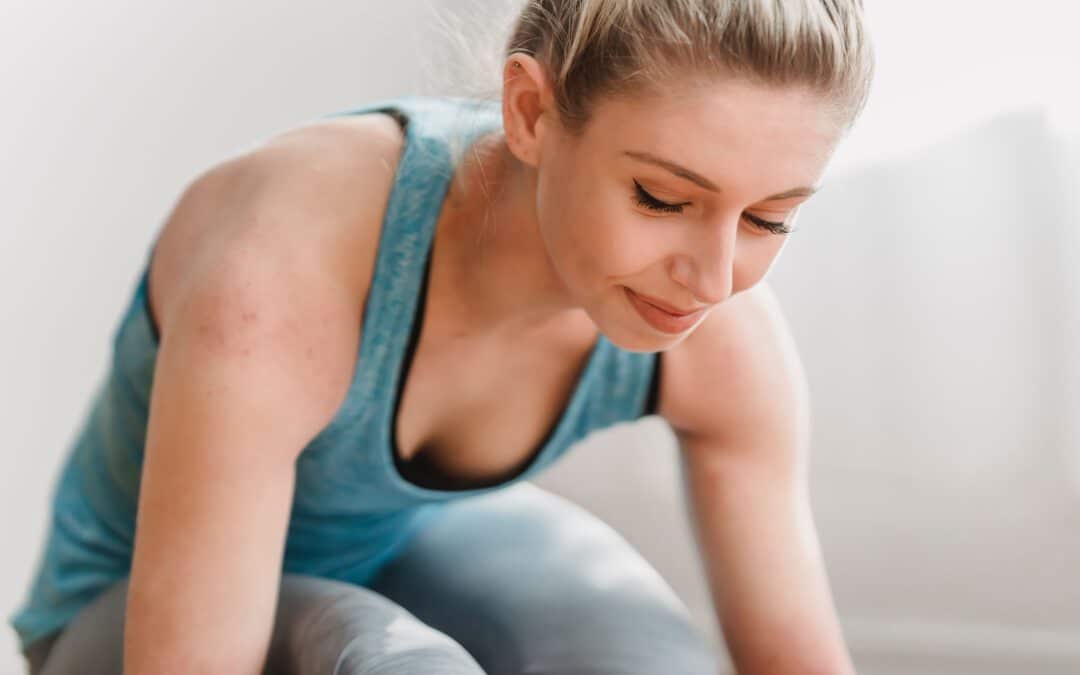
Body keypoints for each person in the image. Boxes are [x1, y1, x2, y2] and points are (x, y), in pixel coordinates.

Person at [10, 0, 874, 673]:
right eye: (661, 198)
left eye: (769, 218)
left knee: (632, 650)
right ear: (531, 111)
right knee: (396, 663)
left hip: (392, 550)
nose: (714, 279)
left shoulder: (724, 338)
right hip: (123, 625)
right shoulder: (285, 269)